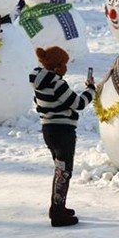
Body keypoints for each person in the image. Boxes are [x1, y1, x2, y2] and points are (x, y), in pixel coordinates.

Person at [29, 47, 95, 227]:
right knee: (64, 172)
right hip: (63, 132)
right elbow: (78, 103)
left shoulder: (39, 81)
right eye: (64, 64)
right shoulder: (57, 83)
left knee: (60, 170)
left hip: (48, 131)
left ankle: (57, 207)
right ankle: (58, 214)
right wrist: (91, 90)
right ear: (58, 65)